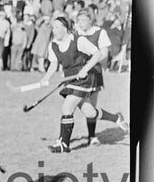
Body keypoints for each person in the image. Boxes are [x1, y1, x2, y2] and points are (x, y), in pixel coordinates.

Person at [41, 13, 128, 152]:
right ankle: (116, 118)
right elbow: (53, 64)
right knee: (90, 112)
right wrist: (46, 78)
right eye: (53, 27)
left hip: (85, 78)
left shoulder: (79, 41)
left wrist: (85, 69)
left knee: (67, 107)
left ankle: (64, 144)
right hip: (70, 79)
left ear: (65, 29)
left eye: (57, 27)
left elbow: (98, 54)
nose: (54, 30)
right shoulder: (54, 45)